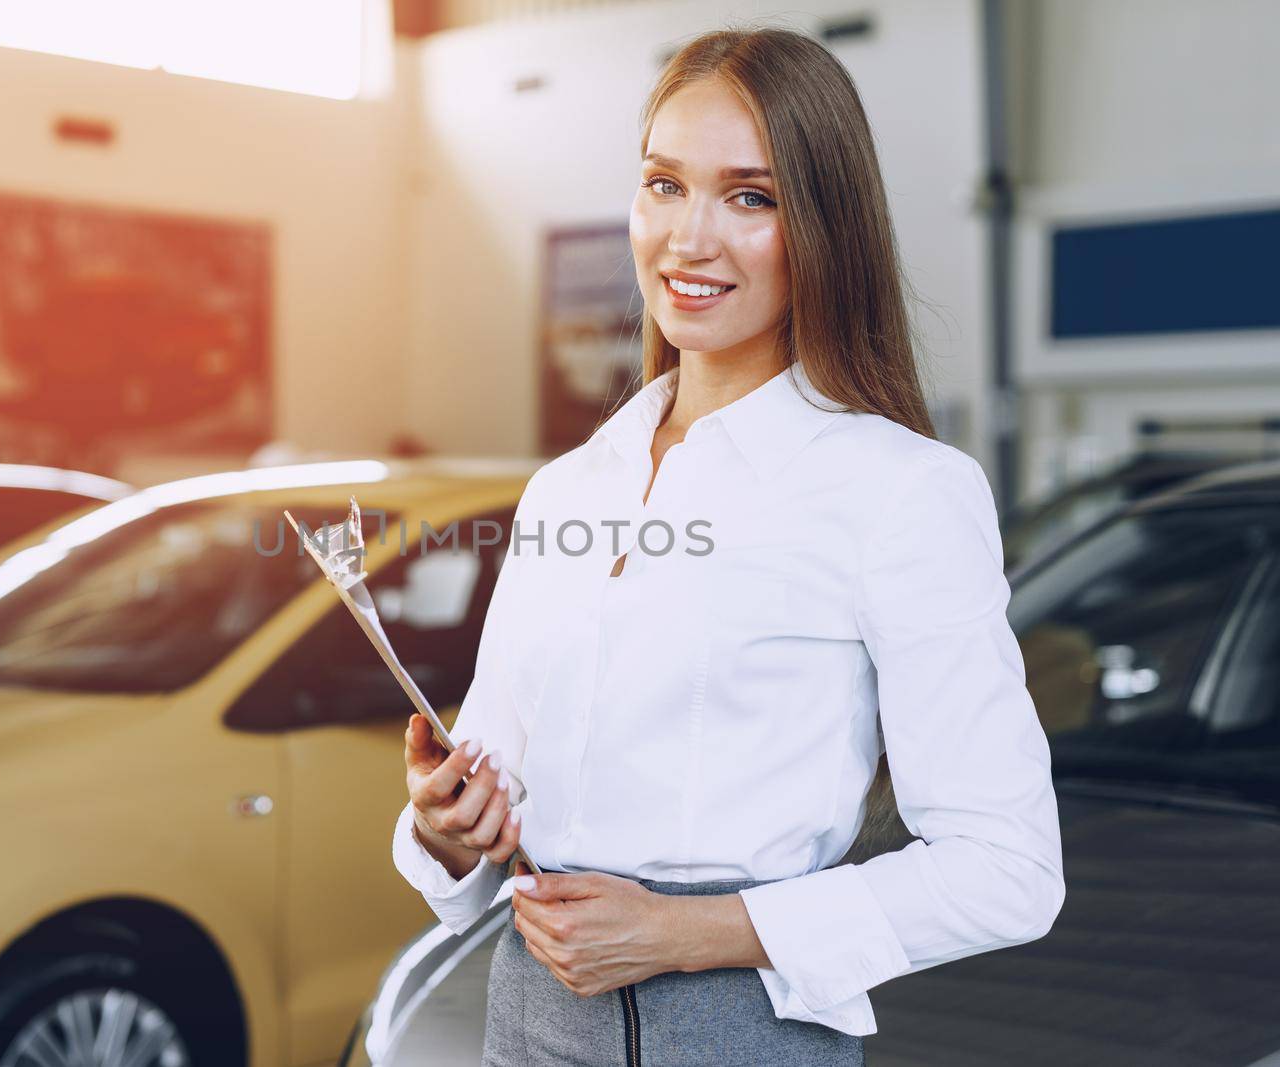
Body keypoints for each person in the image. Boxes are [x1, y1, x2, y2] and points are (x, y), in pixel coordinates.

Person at [392, 24, 1065, 1066]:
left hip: (734, 1030)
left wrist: (690, 931)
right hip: (523, 1017)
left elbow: (1006, 866)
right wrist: (452, 822)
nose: (687, 239)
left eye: (749, 198)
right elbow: (498, 781)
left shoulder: (900, 492)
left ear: (824, 228)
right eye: (663, 184)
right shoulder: (569, 488)